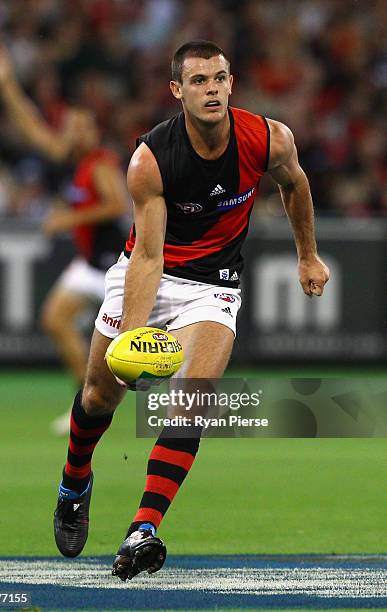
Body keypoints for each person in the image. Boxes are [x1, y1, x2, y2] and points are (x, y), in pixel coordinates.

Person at [50, 40, 330, 580]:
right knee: (98, 395)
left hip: (214, 286)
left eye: (219, 79)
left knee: (194, 400)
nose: (212, 90)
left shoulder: (268, 138)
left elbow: (294, 185)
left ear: (232, 84)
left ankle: (143, 528)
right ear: (178, 91)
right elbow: (148, 256)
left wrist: (309, 255)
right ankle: (75, 480)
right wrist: (134, 334)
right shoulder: (150, 159)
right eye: (198, 81)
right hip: (149, 273)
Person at [0, 46, 129, 434]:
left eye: (84, 126)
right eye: (72, 126)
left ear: (94, 131)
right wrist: (6, 85)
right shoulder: (72, 158)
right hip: (89, 264)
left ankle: (105, 398)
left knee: (156, 340)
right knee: (55, 320)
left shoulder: (99, 162)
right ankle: (85, 399)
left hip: (116, 266)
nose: (77, 132)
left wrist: (69, 216)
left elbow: (117, 204)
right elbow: (31, 126)